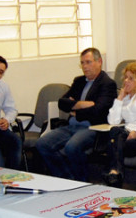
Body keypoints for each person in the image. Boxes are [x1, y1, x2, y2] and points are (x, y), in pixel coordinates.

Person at [36, 48, 117, 181]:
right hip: (71, 126)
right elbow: (62, 102)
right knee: (42, 143)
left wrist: (75, 109)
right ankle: (66, 177)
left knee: (72, 147)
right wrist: (83, 104)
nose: (85, 67)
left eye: (88, 62)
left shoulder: (107, 84)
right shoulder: (79, 81)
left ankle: (81, 180)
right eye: (82, 63)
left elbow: (98, 111)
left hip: (93, 128)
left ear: (99, 62)